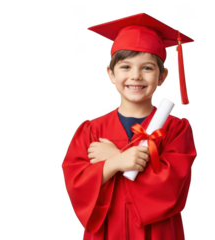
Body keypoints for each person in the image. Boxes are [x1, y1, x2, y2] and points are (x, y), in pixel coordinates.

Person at [61, 11, 198, 240]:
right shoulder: (90, 130)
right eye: (125, 67)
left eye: (147, 68)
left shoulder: (176, 129)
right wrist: (117, 162)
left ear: (162, 77)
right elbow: (75, 183)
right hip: (106, 231)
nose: (136, 76)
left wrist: (114, 159)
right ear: (110, 73)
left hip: (158, 233)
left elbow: (171, 189)